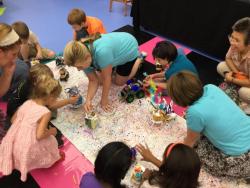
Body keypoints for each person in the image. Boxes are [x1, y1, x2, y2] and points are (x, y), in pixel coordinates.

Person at [167, 71, 250, 179]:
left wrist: (178, 149)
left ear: (178, 98)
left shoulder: (194, 112)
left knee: (198, 150)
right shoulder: (211, 88)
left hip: (243, 159)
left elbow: (190, 143)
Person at [0, 74, 64, 181]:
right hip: (28, 145)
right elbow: (39, 135)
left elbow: (13, 120)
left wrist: (28, 126)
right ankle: (51, 160)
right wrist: (51, 132)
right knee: (51, 141)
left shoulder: (28, 102)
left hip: (15, 139)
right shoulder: (45, 112)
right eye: (56, 98)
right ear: (51, 97)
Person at [63, 32, 143, 112]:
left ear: (87, 57)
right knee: (100, 81)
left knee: (119, 82)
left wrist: (104, 100)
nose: (78, 69)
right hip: (111, 52)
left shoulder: (102, 52)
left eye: (79, 66)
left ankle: (139, 58)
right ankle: (111, 65)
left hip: (129, 48)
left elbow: (106, 79)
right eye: (76, 67)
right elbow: (93, 80)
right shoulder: (82, 55)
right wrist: (88, 100)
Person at [217, 17, 250, 114]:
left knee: (243, 92)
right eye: (232, 37)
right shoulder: (234, 44)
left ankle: (239, 91)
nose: (232, 42)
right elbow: (228, 58)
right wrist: (236, 73)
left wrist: (231, 79)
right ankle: (237, 86)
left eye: (237, 40)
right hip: (243, 75)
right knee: (221, 66)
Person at [136, 143, 201, 188]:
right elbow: (175, 171)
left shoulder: (150, 185)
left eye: (163, 159)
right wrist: (152, 159)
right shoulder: (186, 180)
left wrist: (143, 179)